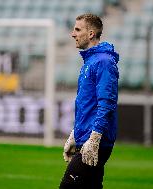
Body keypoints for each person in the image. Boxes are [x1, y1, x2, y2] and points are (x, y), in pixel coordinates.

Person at [59, 13, 119, 189]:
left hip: (95, 141)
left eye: (77, 29)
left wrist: (95, 137)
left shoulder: (104, 62)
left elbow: (107, 103)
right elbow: (88, 105)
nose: (73, 34)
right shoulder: (91, 61)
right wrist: (74, 134)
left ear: (91, 33)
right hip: (85, 137)